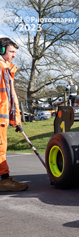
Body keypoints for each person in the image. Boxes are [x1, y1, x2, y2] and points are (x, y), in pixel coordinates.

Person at [0, 38, 28, 191]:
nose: (14, 55)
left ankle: (4, 179)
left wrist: (15, 119)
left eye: (15, 52)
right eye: (11, 52)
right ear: (1, 50)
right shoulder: (0, 68)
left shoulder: (6, 69)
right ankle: (3, 180)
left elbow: (10, 98)